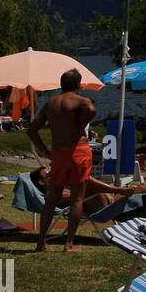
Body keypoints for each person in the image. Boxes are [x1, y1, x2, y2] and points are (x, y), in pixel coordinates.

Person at [27, 70, 95, 251]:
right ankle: (69, 243)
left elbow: (31, 130)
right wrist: (80, 123)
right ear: (79, 84)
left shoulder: (50, 103)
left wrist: (43, 149)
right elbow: (91, 109)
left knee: (52, 198)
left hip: (58, 152)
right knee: (77, 198)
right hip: (78, 150)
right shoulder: (81, 101)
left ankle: (41, 242)